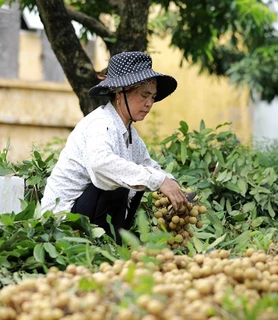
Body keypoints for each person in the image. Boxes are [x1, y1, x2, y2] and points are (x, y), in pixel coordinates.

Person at [41, 51, 189, 244]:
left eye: (152, 97)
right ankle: (103, 246)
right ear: (120, 94)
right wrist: (158, 180)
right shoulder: (100, 124)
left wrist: (171, 183)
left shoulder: (130, 134)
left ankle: (112, 245)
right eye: (144, 95)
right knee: (118, 180)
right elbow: (100, 164)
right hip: (62, 222)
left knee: (136, 178)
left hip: (87, 215)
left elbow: (148, 165)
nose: (149, 104)